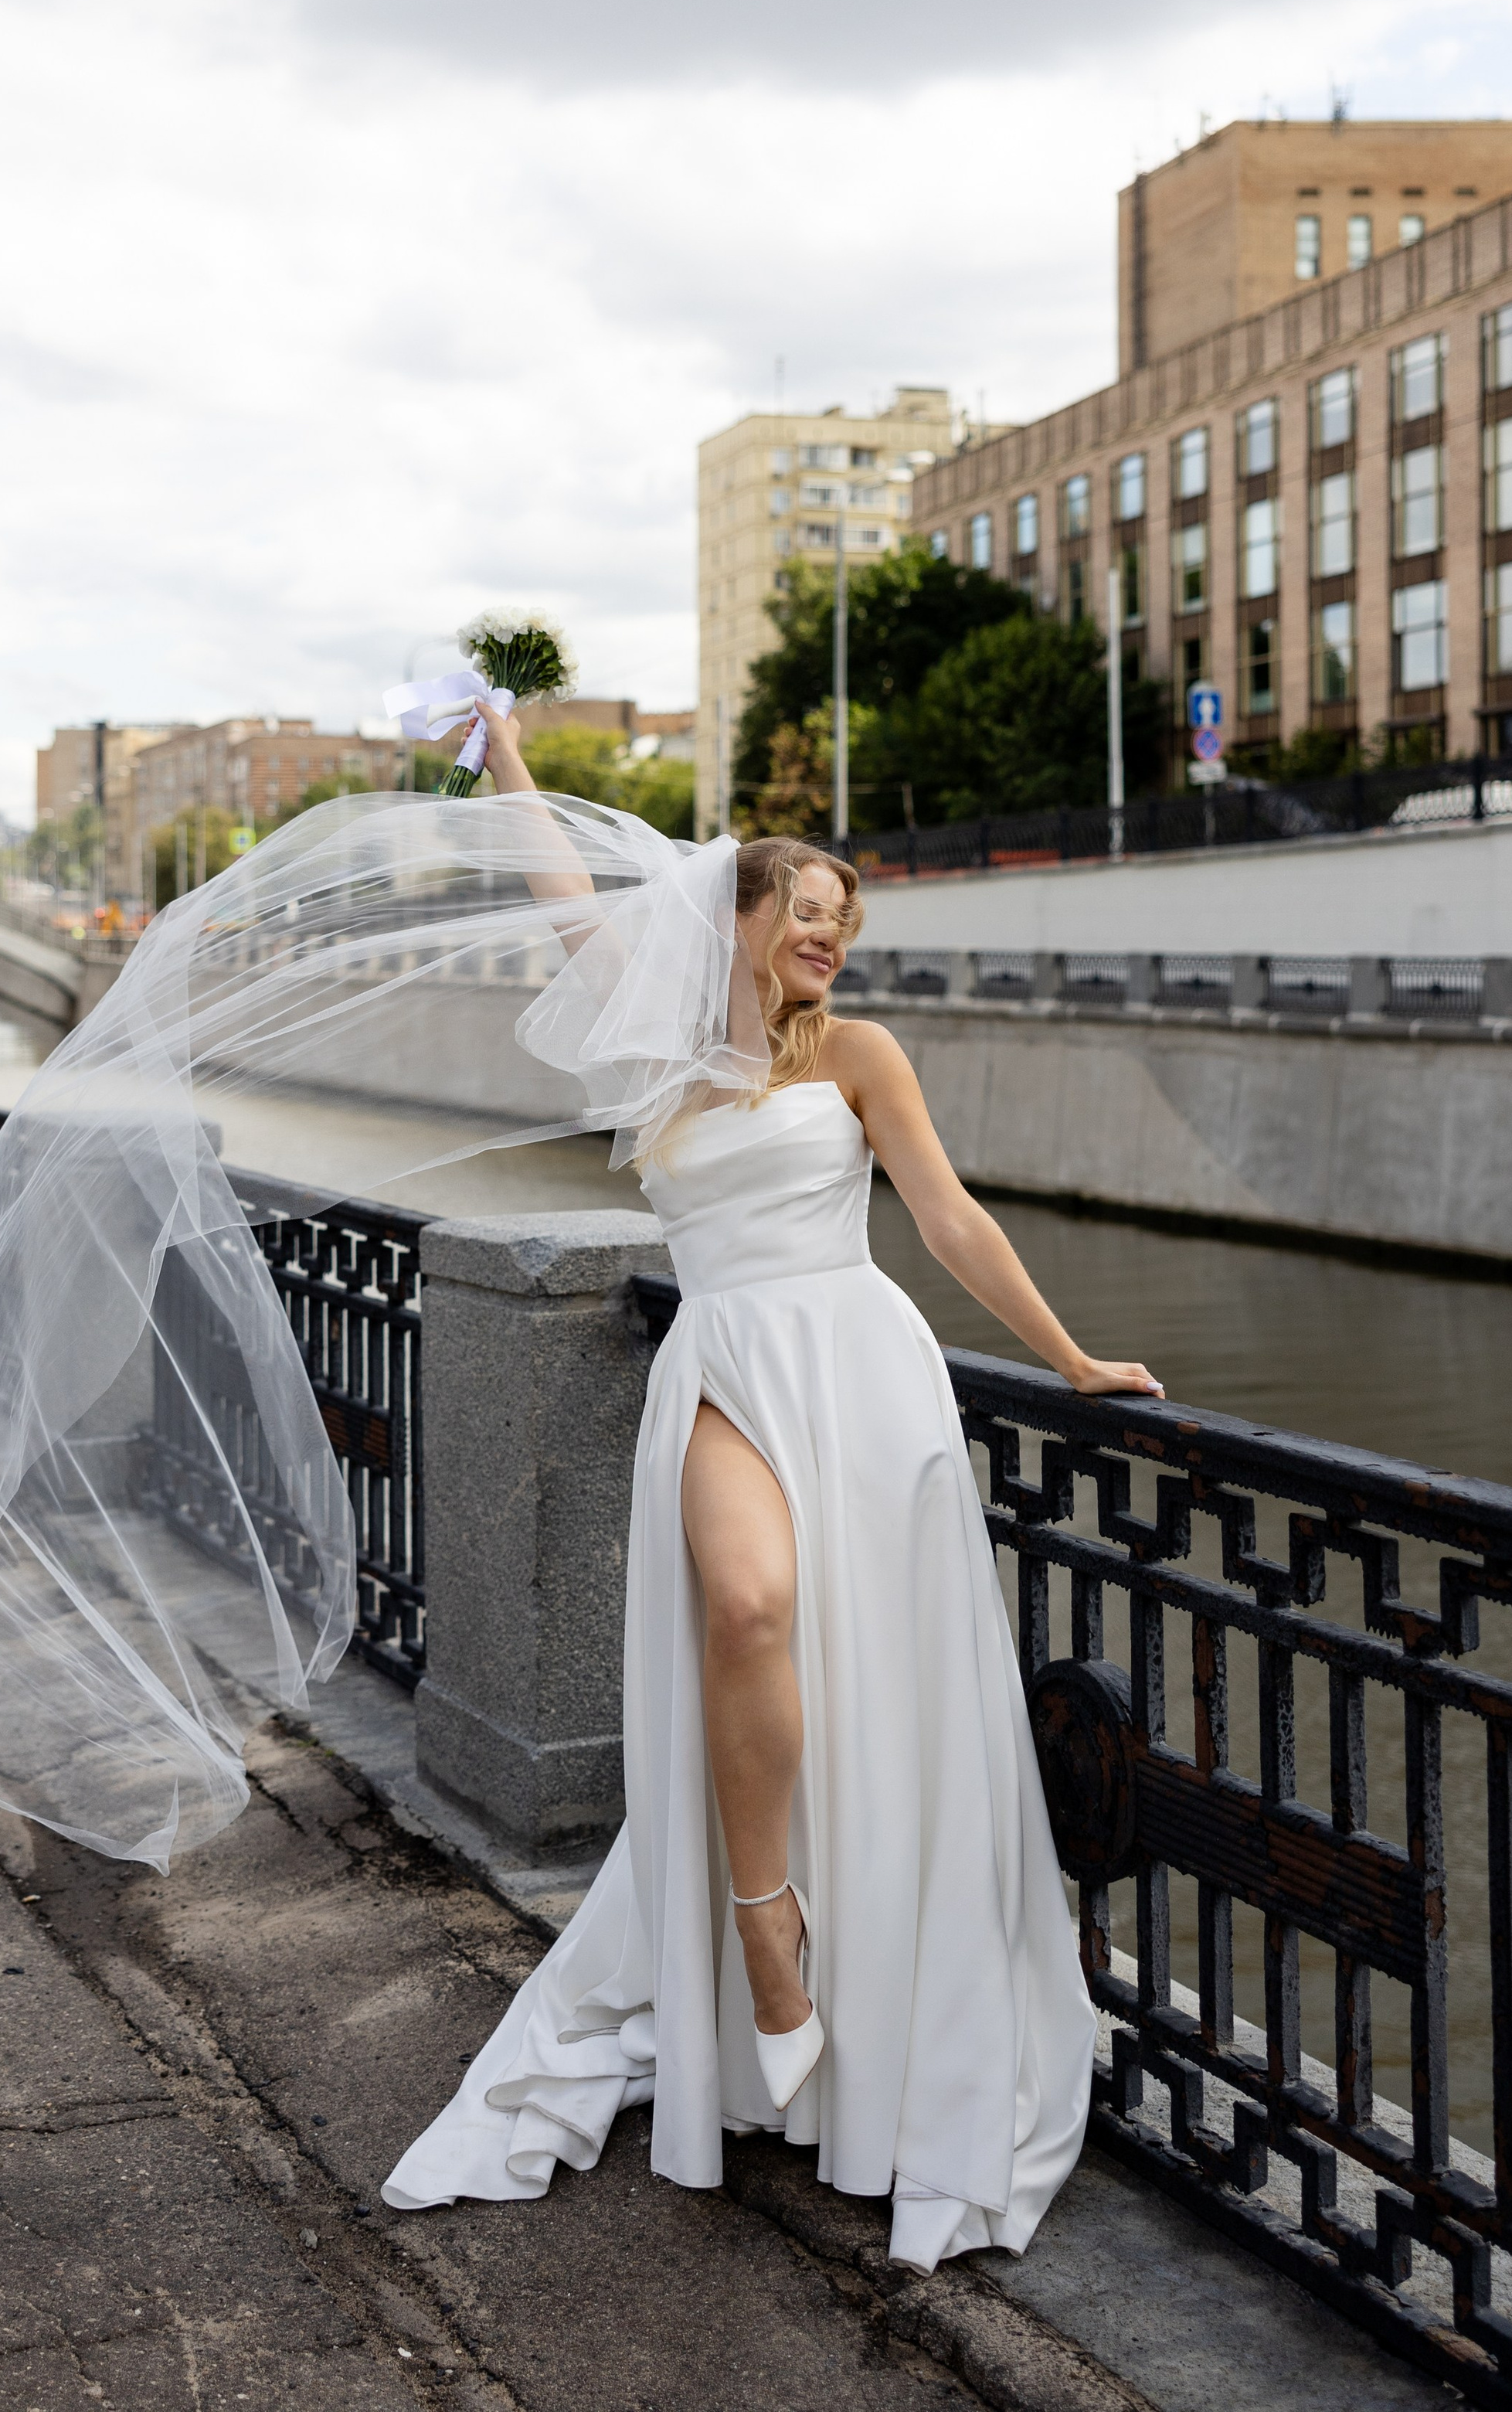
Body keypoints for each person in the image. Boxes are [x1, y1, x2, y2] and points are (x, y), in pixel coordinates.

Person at [382, 703, 1163, 2273]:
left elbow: (941, 1222)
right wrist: (508, 758)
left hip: (864, 1377)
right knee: (744, 1607)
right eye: (801, 915)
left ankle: (875, 1996)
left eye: (839, 925)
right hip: (726, 1365)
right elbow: (560, 893)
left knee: (871, 1680)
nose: (825, 941)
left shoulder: (862, 1055)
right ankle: (766, 1931)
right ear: (733, 920)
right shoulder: (655, 1042)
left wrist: (1071, 1359)